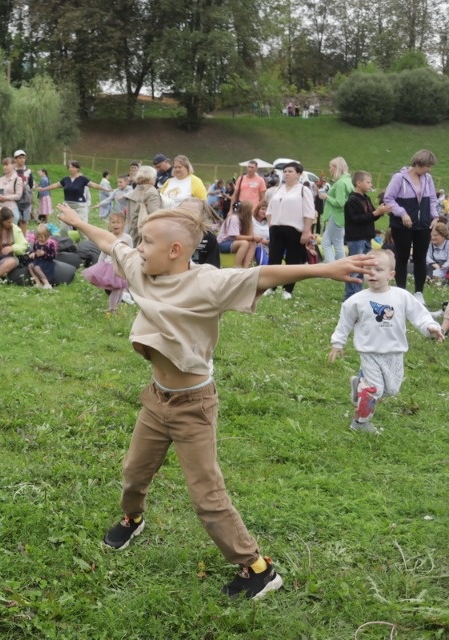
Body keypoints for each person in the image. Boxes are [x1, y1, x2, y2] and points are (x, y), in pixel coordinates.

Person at [56, 200, 375, 600]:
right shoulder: (139, 268)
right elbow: (109, 241)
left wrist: (324, 268)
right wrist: (77, 221)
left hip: (194, 405)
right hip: (157, 399)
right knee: (134, 473)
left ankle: (258, 568)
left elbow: (264, 274)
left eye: (147, 241)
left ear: (175, 250)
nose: (137, 247)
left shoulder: (208, 283)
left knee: (207, 496)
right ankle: (132, 517)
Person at [329, 249, 444, 434]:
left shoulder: (402, 296)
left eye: (378, 270)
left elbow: (419, 315)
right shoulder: (356, 301)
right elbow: (345, 322)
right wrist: (337, 343)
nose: (372, 273)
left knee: (390, 391)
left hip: (395, 352)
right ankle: (360, 423)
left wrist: (431, 327)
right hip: (370, 352)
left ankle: (359, 383)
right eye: (368, 269)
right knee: (374, 390)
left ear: (391, 274)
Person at [383, 150, 440, 303]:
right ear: (417, 164)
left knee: (420, 258)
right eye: (427, 166)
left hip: (423, 225)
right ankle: (401, 292)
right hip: (402, 225)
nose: (429, 169)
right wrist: (402, 213)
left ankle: (419, 293)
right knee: (402, 257)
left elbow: (433, 199)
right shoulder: (399, 178)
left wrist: (434, 216)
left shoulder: (428, 179)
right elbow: (388, 198)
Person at [265, 162, 315, 299]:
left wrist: (306, 231)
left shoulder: (303, 190)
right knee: (273, 258)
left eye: (290, 171)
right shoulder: (278, 189)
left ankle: (288, 289)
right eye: (285, 171)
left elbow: (309, 212)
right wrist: (271, 226)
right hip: (276, 228)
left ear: (298, 174)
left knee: (292, 260)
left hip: (294, 229)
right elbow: (269, 210)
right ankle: (271, 286)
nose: (286, 173)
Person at [343, 171, 391, 300]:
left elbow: (370, 217)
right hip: (356, 238)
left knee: (363, 267)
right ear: (358, 183)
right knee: (355, 268)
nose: (371, 185)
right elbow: (356, 219)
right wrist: (376, 213)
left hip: (366, 238)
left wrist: (380, 212)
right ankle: (351, 296)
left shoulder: (367, 198)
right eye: (368, 182)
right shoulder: (352, 200)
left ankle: (358, 293)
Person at [82, 211, 134, 313]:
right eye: (113, 222)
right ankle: (112, 308)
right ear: (109, 224)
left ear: (124, 224)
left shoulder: (127, 238)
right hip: (110, 266)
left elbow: (130, 251)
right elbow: (103, 253)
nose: (116, 225)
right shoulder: (108, 236)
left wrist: (130, 265)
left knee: (120, 288)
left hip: (121, 266)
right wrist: (99, 265)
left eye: (118, 222)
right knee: (116, 288)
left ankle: (116, 307)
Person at [37, 161, 110, 231]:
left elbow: (94, 185)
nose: (70, 169)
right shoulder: (66, 179)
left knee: (83, 229)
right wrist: (44, 189)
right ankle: (65, 242)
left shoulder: (83, 179)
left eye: (72, 167)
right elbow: (55, 185)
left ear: (77, 168)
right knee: (63, 229)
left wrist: (105, 189)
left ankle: (83, 243)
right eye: (69, 167)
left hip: (80, 206)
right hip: (67, 206)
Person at [318, 157, 353, 262]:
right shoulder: (348, 181)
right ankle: (333, 265)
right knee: (326, 242)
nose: (329, 169)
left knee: (336, 243)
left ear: (336, 168)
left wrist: (326, 197)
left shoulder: (340, 183)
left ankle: (336, 266)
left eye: (330, 167)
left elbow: (340, 203)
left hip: (336, 215)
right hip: (341, 216)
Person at [217, 200, 262, 268]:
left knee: (253, 243)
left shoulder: (246, 220)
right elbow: (236, 237)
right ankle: (237, 266)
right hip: (223, 243)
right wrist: (253, 238)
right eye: (251, 210)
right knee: (244, 243)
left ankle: (245, 267)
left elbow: (250, 235)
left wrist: (250, 224)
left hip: (233, 242)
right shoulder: (234, 218)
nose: (252, 212)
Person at [126, 166, 164, 246]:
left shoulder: (135, 190)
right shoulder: (151, 192)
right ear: (151, 178)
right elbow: (155, 213)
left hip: (133, 231)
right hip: (146, 233)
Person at [26, 223, 58, 290]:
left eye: (41, 237)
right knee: (30, 265)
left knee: (37, 267)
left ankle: (47, 283)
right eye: (38, 237)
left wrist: (44, 254)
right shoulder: (36, 242)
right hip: (38, 261)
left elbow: (53, 255)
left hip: (47, 262)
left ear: (47, 235)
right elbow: (34, 251)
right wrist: (33, 254)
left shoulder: (50, 243)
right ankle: (38, 283)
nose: (40, 239)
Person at [0, 157, 24, 226]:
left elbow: (18, 196)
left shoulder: (17, 179)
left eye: (7, 165)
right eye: (4, 165)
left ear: (13, 165)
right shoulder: (0, 179)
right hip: (0, 209)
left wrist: (5, 198)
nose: (4, 167)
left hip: (11, 209)